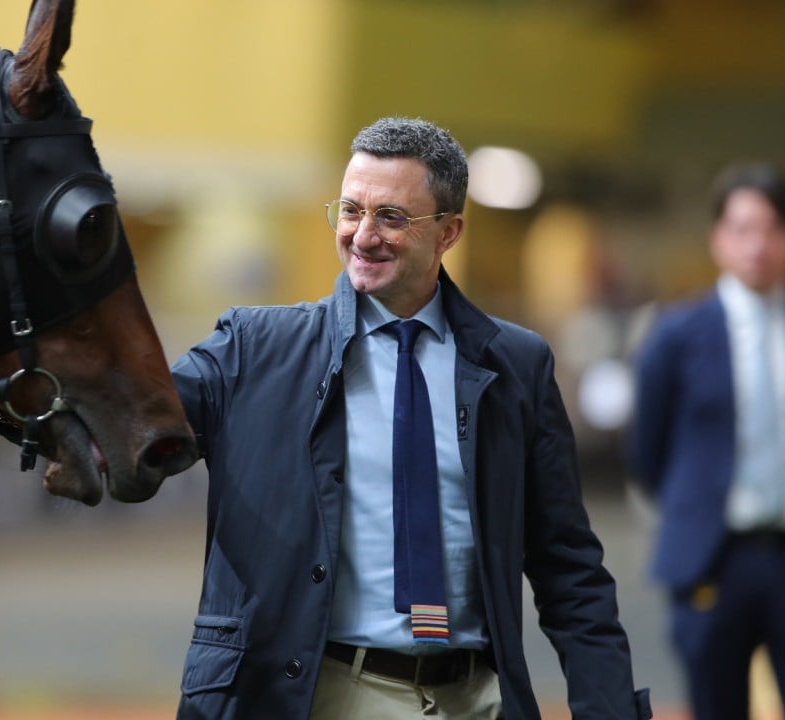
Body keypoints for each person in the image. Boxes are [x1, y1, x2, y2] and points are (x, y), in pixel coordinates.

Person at [169, 117, 651, 719]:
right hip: (326, 696)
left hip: (477, 700)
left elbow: (568, 567)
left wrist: (608, 708)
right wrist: (19, 397)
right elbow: (133, 422)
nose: (362, 236)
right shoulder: (252, 349)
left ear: (449, 232)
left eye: (391, 217)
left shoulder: (516, 366)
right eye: (350, 211)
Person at [629, 163, 785, 720]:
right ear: (719, 239)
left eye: (772, 229)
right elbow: (648, 450)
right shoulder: (676, 335)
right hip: (712, 560)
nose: (757, 245)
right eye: (742, 229)